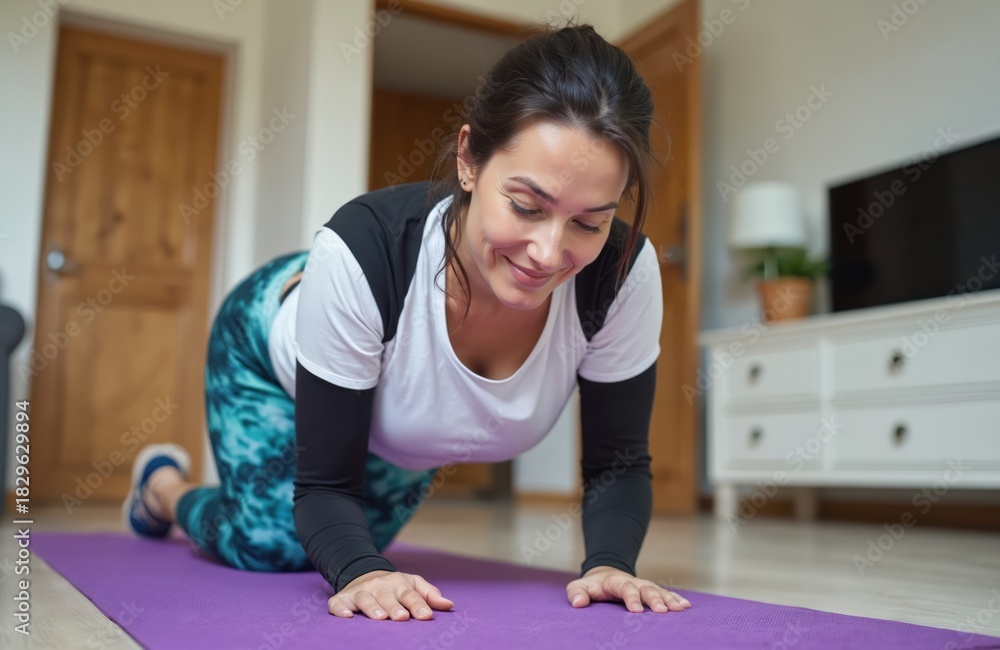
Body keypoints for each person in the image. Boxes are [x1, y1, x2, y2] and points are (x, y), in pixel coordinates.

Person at [122, 22, 691, 621]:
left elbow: (618, 464)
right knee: (270, 545)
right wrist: (362, 573)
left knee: (363, 522)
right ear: (468, 159)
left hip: (401, 417)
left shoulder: (621, 273)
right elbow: (325, 488)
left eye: (589, 223)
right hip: (266, 338)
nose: (548, 255)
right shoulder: (361, 250)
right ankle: (161, 487)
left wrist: (609, 564)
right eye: (526, 207)